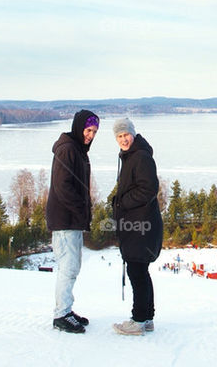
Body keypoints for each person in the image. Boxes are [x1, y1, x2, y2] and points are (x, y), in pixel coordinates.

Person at [46, 109, 99, 334]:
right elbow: (62, 186)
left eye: (94, 132)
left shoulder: (77, 149)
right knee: (68, 268)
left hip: (71, 219)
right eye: (88, 130)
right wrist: (80, 209)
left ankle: (66, 310)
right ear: (79, 127)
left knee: (72, 267)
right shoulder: (68, 149)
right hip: (65, 219)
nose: (90, 135)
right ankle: (61, 315)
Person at [111, 117, 163, 336]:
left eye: (126, 135)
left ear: (133, 133)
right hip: (138, 223)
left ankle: (139, 319)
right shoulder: (131, 156)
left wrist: (122, 202)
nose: (123, 139)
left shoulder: (140, 157)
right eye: (119, 136)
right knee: (141, 270)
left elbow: (148, 188)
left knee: (136, 271)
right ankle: (147, 318)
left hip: (141, 225)